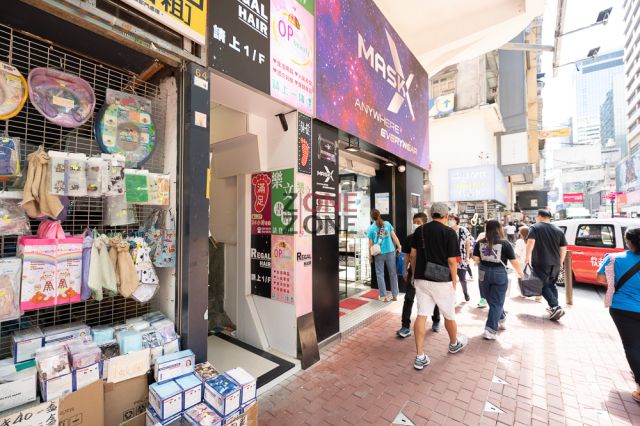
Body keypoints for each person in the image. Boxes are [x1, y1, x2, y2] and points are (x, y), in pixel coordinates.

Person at [410, 202, 469, 370]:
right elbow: (452, 261)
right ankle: (453, 343)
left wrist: (414, 275)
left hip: (421, 278)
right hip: (442, 280)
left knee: (421, 315)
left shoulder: (419, 230)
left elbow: (413, 255)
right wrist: (454, 281)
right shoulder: (450, 232)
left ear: (430, 214)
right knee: (449, 314)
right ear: (446, 216)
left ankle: (420, 356)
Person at [596, 227, 640, 403]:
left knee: (633, 346)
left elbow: (601, 279)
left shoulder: (614, 258)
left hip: (622, 309)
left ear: (627, 241)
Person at [473, 220, 524, 340]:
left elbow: (475, 259)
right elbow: (514, 261)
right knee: (496, 301)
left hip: (483, 273)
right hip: (499, 273)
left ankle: (501, 317)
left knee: (491, 299)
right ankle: (490, 330)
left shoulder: (480, 242)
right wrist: (520, 272)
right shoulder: (505, 243)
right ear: (499, 229)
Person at [397, 213, 441, 338]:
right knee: (409, 299)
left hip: (430, 272)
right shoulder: (410, 237)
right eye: (414, 221)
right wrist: (405, 270)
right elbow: (406, 255)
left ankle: (436, 320)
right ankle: (405, 326)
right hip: (414, 272)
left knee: (433, 298)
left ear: (425, 222)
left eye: (418, 221)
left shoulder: (432, 237)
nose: (415, 224)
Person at [524, 209, 568, 320]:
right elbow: (563, 248)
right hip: (555, 263)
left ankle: (555, 306)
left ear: (540, 216)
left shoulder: (535, 227)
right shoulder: (558, 230)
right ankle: (554, 309)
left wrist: (527, 257)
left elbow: (530, 242)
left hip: (541, 262)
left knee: (541, 285)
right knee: (551, 285)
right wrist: (561, 262)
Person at [368, 209, 402, 302]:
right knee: (393, 274)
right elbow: (394, 237)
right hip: (390, 252)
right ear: (379, 215)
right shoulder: (387, 224)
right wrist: (399, 246)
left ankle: (383, 297)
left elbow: (370, 244)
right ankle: (395, 295)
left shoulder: (371, 228)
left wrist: (370, 256)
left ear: (372, 217)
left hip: (378, 253)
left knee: (380, 275)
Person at [449, 215, 472, 301]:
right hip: (450, 258)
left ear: (456, 220)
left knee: (462, 278)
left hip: (461, 257)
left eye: (451, 219)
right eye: (449, 219)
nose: (449, 221)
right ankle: (452, 296)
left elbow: (467, 244)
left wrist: (468, 257)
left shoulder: (463, 230)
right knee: (450, 279)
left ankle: (465, 293)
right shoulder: (447, 230)